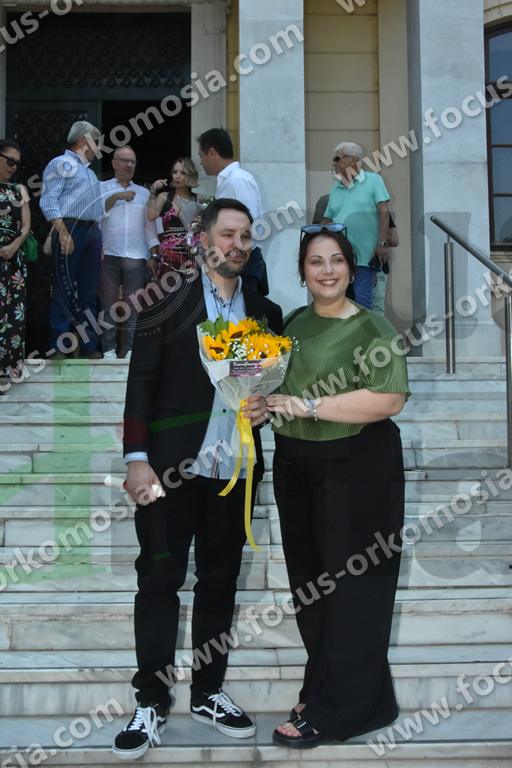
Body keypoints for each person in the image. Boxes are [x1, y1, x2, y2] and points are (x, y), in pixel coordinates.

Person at [113, 198, 282, 761]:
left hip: (234, 472)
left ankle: (209, 692)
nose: (238, 244)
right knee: (158, 581)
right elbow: (141, 381)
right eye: (228, 234)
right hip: (168, 469)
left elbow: (269, 390)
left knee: (220, 582)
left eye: (246, 236)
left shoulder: (264, 311)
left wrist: (266, 408)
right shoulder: (166, 300)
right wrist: (136, 458)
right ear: (204, 239)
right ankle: (151, 701)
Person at [266, 224, 409, 748]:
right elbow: (279, 388)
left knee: (352, 588)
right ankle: (341, 688)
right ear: (302, 272)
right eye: (315, 262)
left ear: (351, 268)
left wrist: (308, 405)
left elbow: (390, 399)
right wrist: (260, 401)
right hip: (296, 464)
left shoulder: (373, 327)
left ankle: (342, 710)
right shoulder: (293, 323)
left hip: (356, 466)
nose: (327, 271)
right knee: (311, 586)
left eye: (336, 261)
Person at [40, 120, 103, 359]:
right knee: (64, 289)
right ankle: (58, 346)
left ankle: (88, 346)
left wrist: (99, 238)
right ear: (83, 141)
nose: (98, 147)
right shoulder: (61, 163)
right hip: (70, 228)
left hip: (91, 232)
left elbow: (97, 210)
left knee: (88, 292)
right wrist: (63, 232)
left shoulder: (90, 173)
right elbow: (48, 200)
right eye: (95, 142)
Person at [99, 146, 159, 360]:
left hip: (136, 255)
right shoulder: (101, 187)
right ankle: (108, 349)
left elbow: (150, 226)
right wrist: (116, 196)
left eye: (132, 161)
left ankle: (131, 349)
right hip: (109, 253)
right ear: (114, 163)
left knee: (134, 304)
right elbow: (96, 215)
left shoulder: (144, 194)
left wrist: (154, 254)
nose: (129, 165)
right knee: (108, 303)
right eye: (124, 160)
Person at [322, 142, 392, 310]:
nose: (334, 163)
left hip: (366, 256)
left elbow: (384, 213)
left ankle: (363, 328)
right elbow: (327, 220)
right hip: (340, 257)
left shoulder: (373, 180)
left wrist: (382, 244)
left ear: (352, 160)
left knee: (362, 300)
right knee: (340, 300)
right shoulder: (336, 188)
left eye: (337, 158)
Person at [198, 128, 268, 294]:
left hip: (242, 260)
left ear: (212, 153)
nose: (201, 162)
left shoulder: (237, 180)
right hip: (232, 258)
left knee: (244, 309)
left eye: (201, 156)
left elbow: (246, 226)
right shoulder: (230, 180)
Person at [313, 193, 398, 315]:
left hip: (371, 265)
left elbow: (394, 239)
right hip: (341, 267)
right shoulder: (326, 200)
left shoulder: (374, 202)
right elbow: (315, 236)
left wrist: (377, 239)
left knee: (373, 310)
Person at [0, 139, 31, 380]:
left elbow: (26, 225)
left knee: (13, 315)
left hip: (13, 262)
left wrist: (13, 246)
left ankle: (7, 371)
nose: (13, 167)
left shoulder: (19, 189)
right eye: (10, 161)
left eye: (17, 163)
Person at [146, 157, 202, 277]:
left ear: (191, 175)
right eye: (175, 172)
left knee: (192, 287)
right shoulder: (164, 197)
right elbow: (150, 216)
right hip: (169, 257)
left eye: (183, 173)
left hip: (192, 255)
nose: (177, 176)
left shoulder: (198, 199)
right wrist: (153, 192)